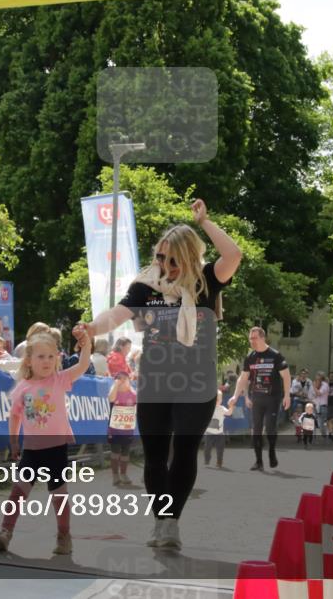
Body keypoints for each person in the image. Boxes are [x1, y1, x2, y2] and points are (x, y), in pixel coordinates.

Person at [80, 199, 241, 550]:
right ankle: (161, 519)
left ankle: (171, 524)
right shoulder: (146, 286)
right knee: (154, 455)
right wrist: (92, 327)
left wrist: (205, 221)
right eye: (159, 258)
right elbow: (117, 315)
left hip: (196, 383)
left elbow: (234, 255)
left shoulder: (207, 281)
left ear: (187, 258)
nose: (165, 266)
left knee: (183, 452)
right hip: (154, 381)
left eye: (172, 260)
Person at [0, 324, 93, 555]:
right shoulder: (23, 388)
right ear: (28, 360)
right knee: (19, 491)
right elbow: (15, 416)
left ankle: (64, 536)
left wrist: (86, 345)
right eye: (40, 357)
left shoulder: (60, 380)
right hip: (32, 451)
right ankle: (5, 532)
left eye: (50, 356)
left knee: (59, 495)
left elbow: (84, 365)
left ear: (57, 359)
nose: (46, 361)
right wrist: (14, 441)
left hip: (56, 449)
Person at [228, 327, 291, 470]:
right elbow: (243, 378)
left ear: (263, 338)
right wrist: (235, 396)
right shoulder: (250, 357)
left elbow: (286, 376)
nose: (252, 341)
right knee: (256, 430)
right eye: (250, 339)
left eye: (254, 338)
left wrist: (287, 395)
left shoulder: (275, 355)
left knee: (270, 428)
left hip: (272, 398)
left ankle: (272, 452)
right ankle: (258, 461)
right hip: (257, 398)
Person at [107, 371, 137, 486]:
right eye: (120, 379)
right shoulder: (114, 392)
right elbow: (111, 398)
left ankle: (124, 474)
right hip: (114, 429)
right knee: (115, 452)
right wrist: (116, 384)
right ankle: (115, 475)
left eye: (125, 379)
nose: (123, 381)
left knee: (125, 452)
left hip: (128, 429)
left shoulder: (133, 394)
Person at [204, 389, 234, 468]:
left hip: (220, 434)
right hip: (209, 433)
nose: (216, 401)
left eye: (218, 399)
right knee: (207, 449)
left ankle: (219, 462)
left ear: (221, 400)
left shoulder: (222, 408)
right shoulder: (207, 408)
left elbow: (229, 413)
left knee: (220, 450)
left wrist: (231, 407)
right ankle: (207, 460)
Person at [312, 372, 330, 440]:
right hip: (315, 405)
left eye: (318, 376)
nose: (316, 378)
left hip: (322, 406)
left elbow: (319, 393)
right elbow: (313, 394)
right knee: (312, 422)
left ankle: (324, 435)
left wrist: (314, 387)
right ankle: (313, 438)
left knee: (320, 424)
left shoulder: (325, 385)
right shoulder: (315, 384)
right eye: (316, 376)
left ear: (321, 377)